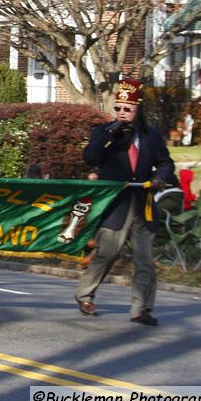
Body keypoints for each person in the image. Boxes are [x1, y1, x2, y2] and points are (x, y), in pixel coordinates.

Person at [75, 78, 175, 327]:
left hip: (143, 203)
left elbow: (166, 163)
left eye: (127, 109)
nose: (121, 113)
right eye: (118, 108)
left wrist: (160, 177)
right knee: (107, 253)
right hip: (115, 204)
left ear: (138, 109)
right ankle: (85, 294)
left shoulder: (150, 136)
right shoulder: (105, 132)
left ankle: (141, 308)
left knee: (144, 259)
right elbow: (90, 157)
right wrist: (111, 133)